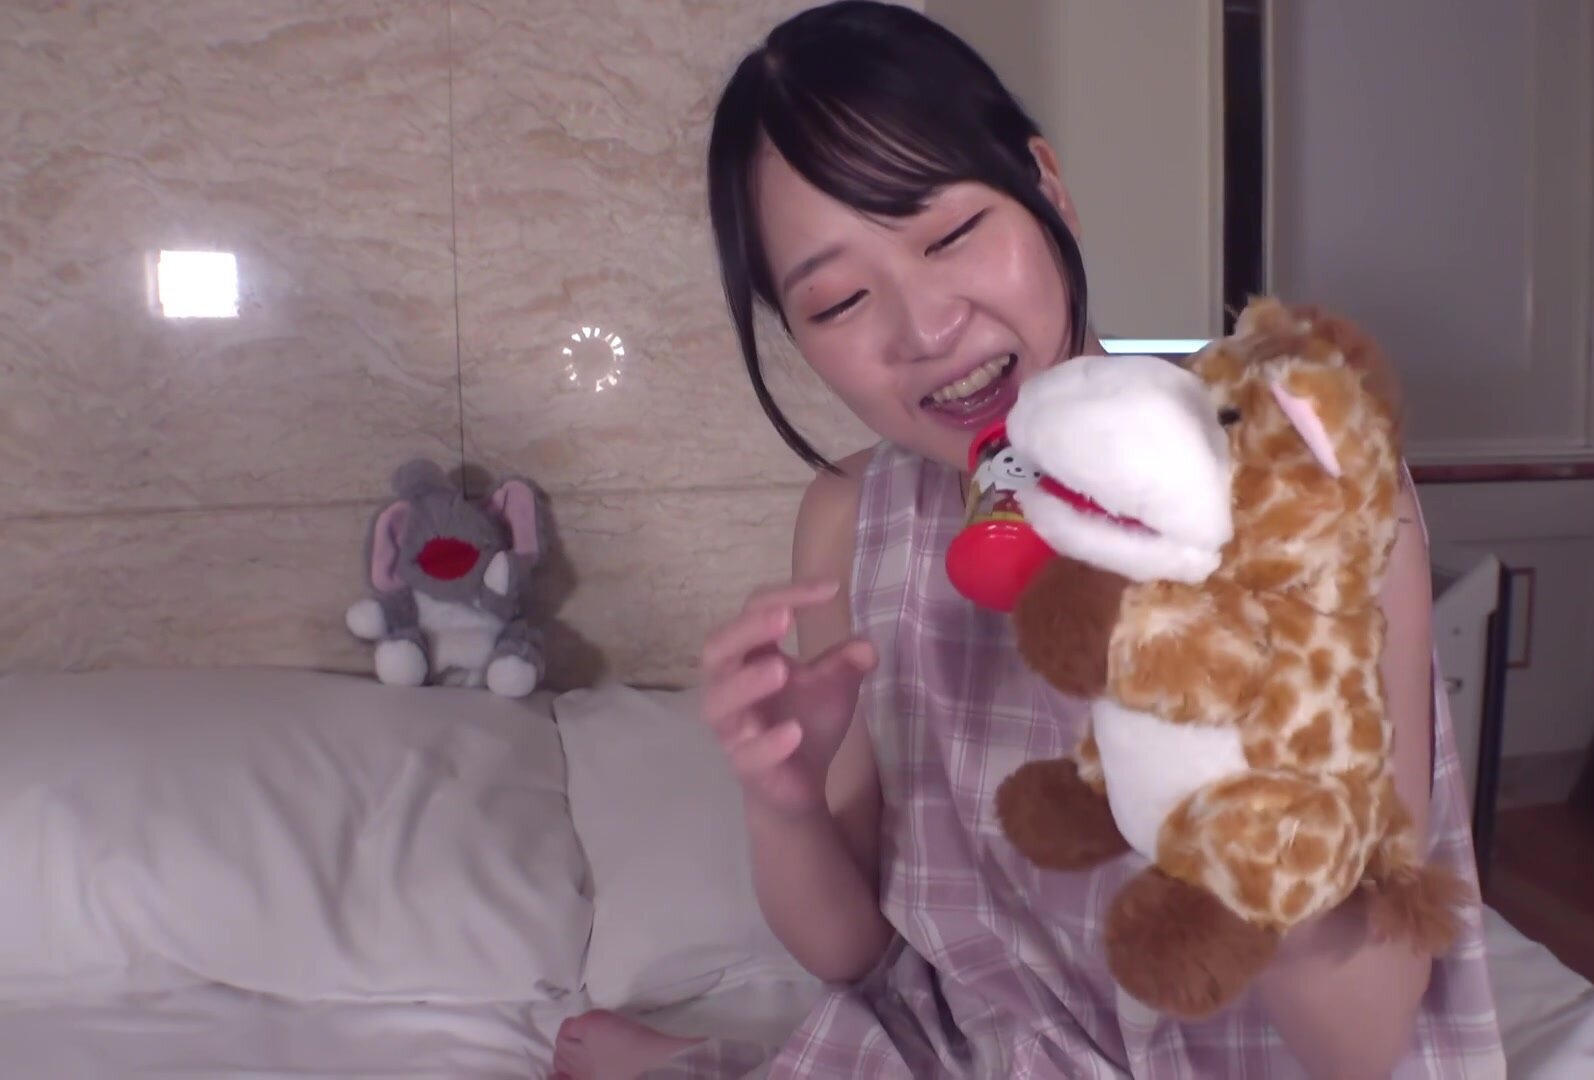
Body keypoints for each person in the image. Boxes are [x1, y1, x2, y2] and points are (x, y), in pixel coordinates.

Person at [551, 3, 1503, 1078]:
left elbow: (1366, 1043)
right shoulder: (849, 519)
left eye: (951, 235)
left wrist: (1253, 780)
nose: (925, 329)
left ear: (1048, 188)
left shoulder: (1295, 478)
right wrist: (785, 803)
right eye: (841, 300)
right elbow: (854, 951)